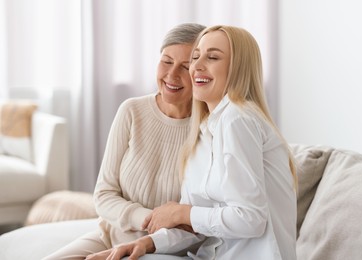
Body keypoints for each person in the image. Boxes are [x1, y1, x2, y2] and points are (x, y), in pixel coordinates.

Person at [92, 25, 298, 260]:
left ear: (238, 68)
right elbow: (197, 229)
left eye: (212, 57)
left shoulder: (238, 119)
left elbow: (250, 218)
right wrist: (147, 243)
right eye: (196, 57)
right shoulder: (204, 133)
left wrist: (183, 213)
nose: (197, 66)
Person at [42, 22, 206, 260]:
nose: (172, 75)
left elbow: (197, 223)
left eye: (185, 66)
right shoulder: (132, 111)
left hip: (164, 248)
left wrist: (154, 234)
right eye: (167, 61)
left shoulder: (208, 130)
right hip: (108, 236)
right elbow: (104, 194)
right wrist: (151, 219)